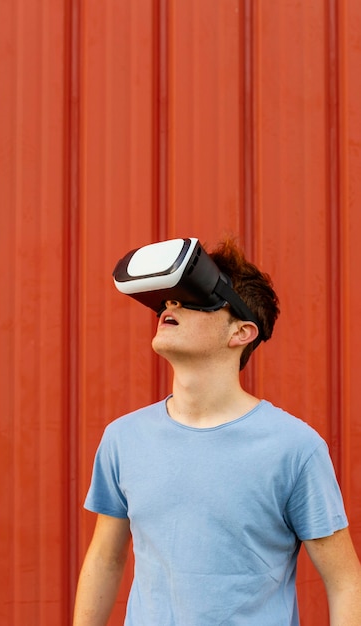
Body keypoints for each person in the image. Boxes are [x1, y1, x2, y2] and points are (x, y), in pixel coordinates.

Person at [73, 238, 361, 625]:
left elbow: (345, 581)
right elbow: (106, 559)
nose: (170, 305)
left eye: (193, 296)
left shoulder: (294, 447)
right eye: (168, 299)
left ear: (241, 332)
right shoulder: (124, 439)